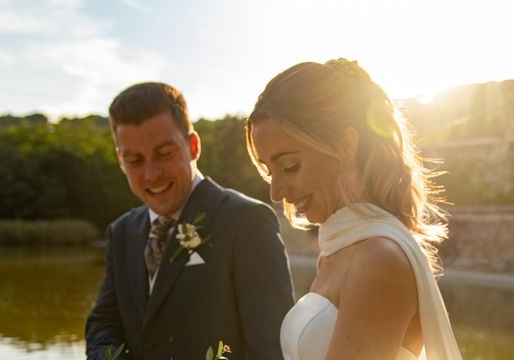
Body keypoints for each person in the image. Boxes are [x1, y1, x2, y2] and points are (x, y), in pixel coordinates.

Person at [246, 59, 462, 360]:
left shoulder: (378, 260)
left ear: (345, 145)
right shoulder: (335, 250)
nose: (276, 191)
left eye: (289, 166)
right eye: (270, 172)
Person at [86, 82, 294, 360]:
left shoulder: (246, 221)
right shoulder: (122, 231)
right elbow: (104, 322)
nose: (151, 174)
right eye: (134, 160)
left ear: (193, 145)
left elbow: (270, 349)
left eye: (164, 153)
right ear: (120, 161)